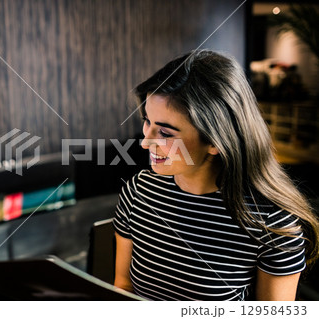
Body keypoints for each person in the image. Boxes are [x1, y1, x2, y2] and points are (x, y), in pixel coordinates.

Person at [113, 50, 319, 301]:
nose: (145, 143)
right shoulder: (139, 192)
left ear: (215, 141)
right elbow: (123, 287)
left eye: (165, 134)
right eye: (147, 121)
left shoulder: (272, 223)